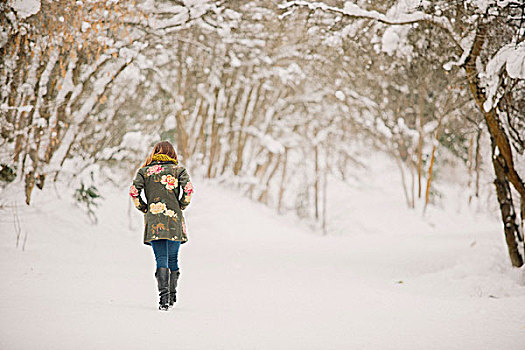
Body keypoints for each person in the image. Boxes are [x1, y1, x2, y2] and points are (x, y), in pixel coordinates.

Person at [129, 141, 194, 311]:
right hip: (173, 218)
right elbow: (188, 189)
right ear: (172, 153)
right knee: (173, 258)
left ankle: (163, 299)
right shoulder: (178, 170)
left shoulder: (145, 171)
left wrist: (144, 207)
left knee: (161, 259)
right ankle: (172, 296)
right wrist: (181, 205)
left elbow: (134, 192)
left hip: (154, 219)